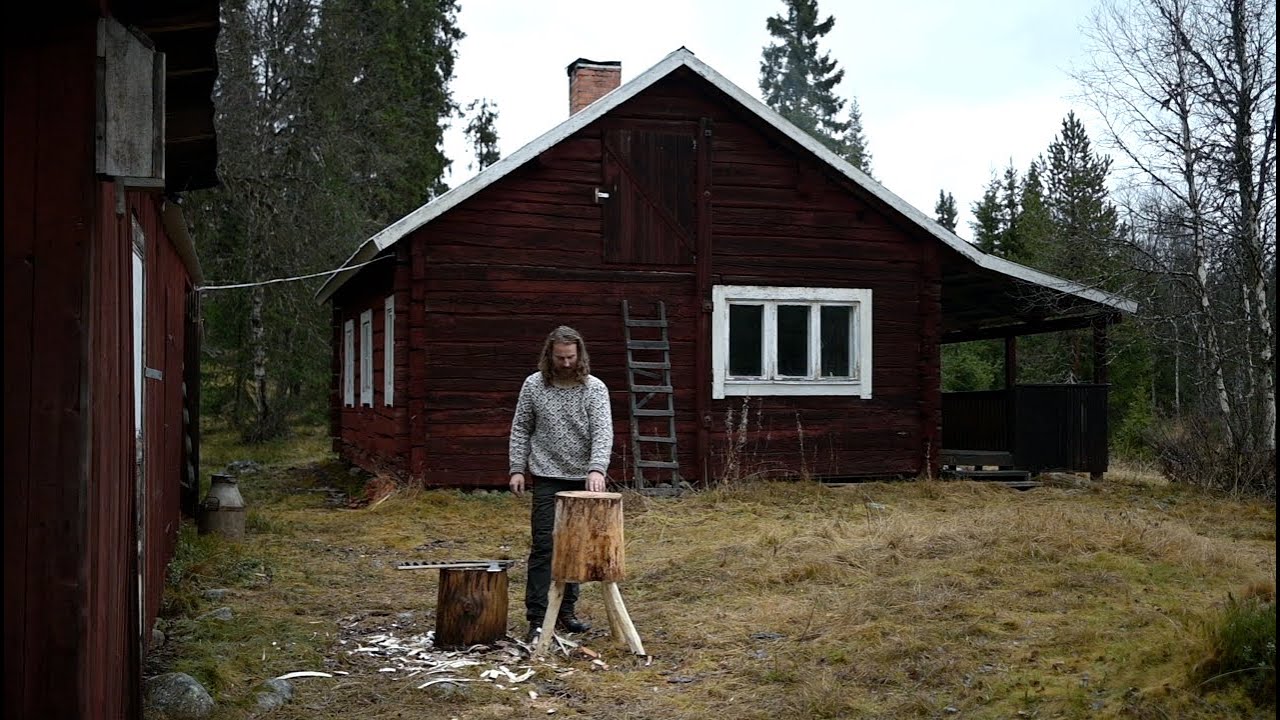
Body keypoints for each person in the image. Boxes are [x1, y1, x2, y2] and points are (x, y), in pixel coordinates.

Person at [508, 325, 613, 643]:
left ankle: (566, 612)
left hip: (583, 479)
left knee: (576, 547)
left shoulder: (594, 389)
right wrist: (517, 469)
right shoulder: (533, 386)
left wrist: (596, 469)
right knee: (544, 547)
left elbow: (603, 431)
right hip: (545, 475)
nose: (566, 363)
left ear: (579, 355)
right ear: (549, 356)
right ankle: (538, 619)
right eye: (560, 357)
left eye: (571, 357)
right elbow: (521, 428)